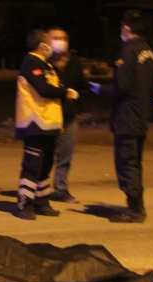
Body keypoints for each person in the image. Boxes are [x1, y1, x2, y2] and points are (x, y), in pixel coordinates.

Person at [89, 10, 153, 223]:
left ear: (126, 28)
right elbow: (152, 86)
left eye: (121, 27)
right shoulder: (149, 52)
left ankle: (135, 209)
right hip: (141, 116)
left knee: (127, 162)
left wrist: (100, 89)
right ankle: (137, 204)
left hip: (127, 117)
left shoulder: (128, 52)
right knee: (135, 161)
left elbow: (122, 87)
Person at [15, 29, 79, 220]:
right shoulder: (32, 62)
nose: (52, 46)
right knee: (32, 166)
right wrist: (65, 93)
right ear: (42, 46)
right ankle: (24, 203)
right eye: (49, 43)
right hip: (35, 124)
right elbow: (43, 89)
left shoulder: (45, 64)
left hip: (49, 124)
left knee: (45, 165)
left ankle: (41, 202)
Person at [47, 27, 90, 204]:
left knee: (65, 156)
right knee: (45, 155)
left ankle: (61, 189)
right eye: (55, 38)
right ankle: (37, 191)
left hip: (70, 116)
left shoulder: (75, 61)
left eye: (63, 38)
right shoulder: (42, 61)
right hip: (48, 116)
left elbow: (83, 87)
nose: (60, 41)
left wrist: (79, 109)